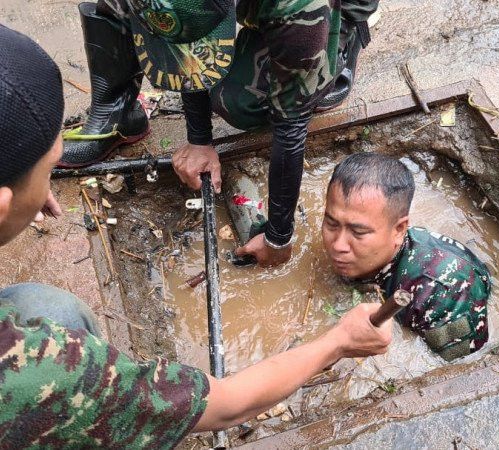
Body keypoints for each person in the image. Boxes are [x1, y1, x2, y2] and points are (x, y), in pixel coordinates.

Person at [0, 25, 392, 447]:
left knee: (49, 308)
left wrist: (24, 194)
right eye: (48, 171)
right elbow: (227, 404)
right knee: (56, 318)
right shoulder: (37, 371)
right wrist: (338, 340)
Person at [58, 0, 379, 267]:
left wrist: (278, 237)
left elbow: (291, 124)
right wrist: (199, 139)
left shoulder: (299, 5)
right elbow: (183, 49)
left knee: (239, 103)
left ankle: (342, 41)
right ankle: (118, 114)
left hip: (312, 13)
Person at [321, 153, 493, 361]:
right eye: (331, 224)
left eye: (358, 233)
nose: (338, 245)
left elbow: (458, 368)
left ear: (399, 229)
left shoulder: (444, 294)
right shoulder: (358, 241)